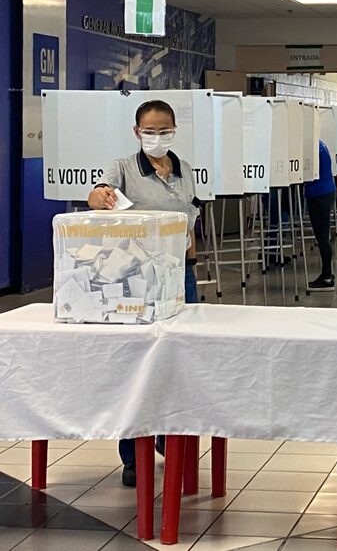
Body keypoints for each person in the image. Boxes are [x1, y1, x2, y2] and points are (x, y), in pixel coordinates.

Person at [87, 99, 200, 488]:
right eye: (149, 131)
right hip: (134, 278)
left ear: (174, 130)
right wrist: (100, 197)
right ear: (137, 132)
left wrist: (192, 266)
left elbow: (190, 222)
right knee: (136, 365)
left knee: (178, 358)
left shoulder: (185, 171)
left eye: (164, 130)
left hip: (178, 275)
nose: (157, 137)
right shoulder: (123, 167)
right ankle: (134, 455)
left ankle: (170, 437)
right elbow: (98, 194)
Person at [305, 140, 336, 292]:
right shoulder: (320, 144)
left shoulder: (310, 146)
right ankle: (327, 273)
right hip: (327, 190)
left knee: (322, 237)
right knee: (324, 236)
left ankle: (327, 276)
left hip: (318, 193)